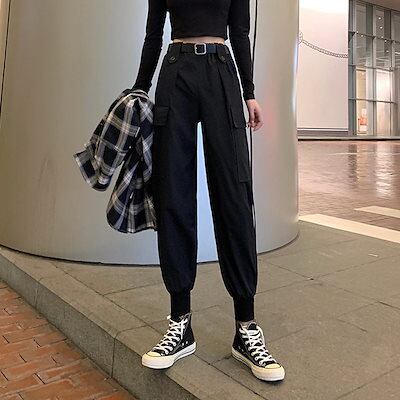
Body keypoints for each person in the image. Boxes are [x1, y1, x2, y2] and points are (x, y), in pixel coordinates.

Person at [132, 0, 285, 382]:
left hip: (221, 72)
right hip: (175, 73)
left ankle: (246, 328)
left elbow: (240, 32)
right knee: (173, 196)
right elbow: (153, 33)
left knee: (235, 197)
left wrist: (249, 92)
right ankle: (179, 323)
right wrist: (139, 88)